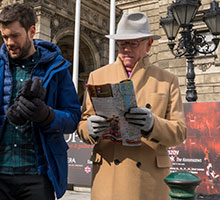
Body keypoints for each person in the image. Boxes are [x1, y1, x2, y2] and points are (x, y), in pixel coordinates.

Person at [0, 3, 81, 200]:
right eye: (4, 37)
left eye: (15, 35)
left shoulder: (57, 68)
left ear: (32, 31)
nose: (8, 42)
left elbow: (73, 119)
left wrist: (47, 115)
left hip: (38, 175)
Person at [78, 12, 187, 200]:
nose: (126, 49)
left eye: (133, 43)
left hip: (149, 181)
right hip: (109, 176)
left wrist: (153, 124)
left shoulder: (167, 80)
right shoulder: (98, 76)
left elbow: (179, 132)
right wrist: (89, 129)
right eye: (121, 44)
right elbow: (83, 124)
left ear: (149, 44)